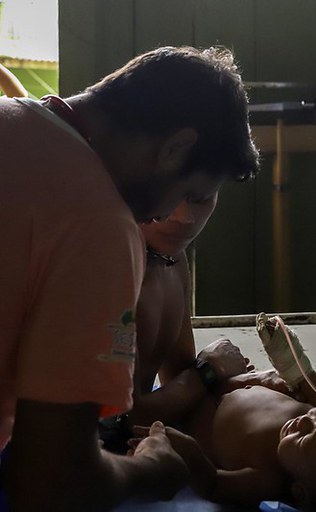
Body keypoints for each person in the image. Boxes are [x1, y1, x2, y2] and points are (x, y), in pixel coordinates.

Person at [0, 46, 259, 510]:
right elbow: (51, 483)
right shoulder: (98, 224)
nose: (172, 213)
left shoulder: (11, 121)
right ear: (175, 147)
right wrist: (153, 471)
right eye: (189, 190)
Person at [99, 194, 253, 453]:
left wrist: (264, 384)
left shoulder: (173, 258)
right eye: (172, 196)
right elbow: (122, 419)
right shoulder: (112, 268)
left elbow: (182, 385)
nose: (185, 216)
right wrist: (209, 370)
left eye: (201, 198)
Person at [132, 377, 316, 511]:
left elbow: (214, 483)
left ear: (300, 492)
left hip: (203, 412)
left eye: (304, 438)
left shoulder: (268, 480)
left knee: (184, 389)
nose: (305, 420)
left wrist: (187, 450)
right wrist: (311, 383)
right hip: (239, 384)